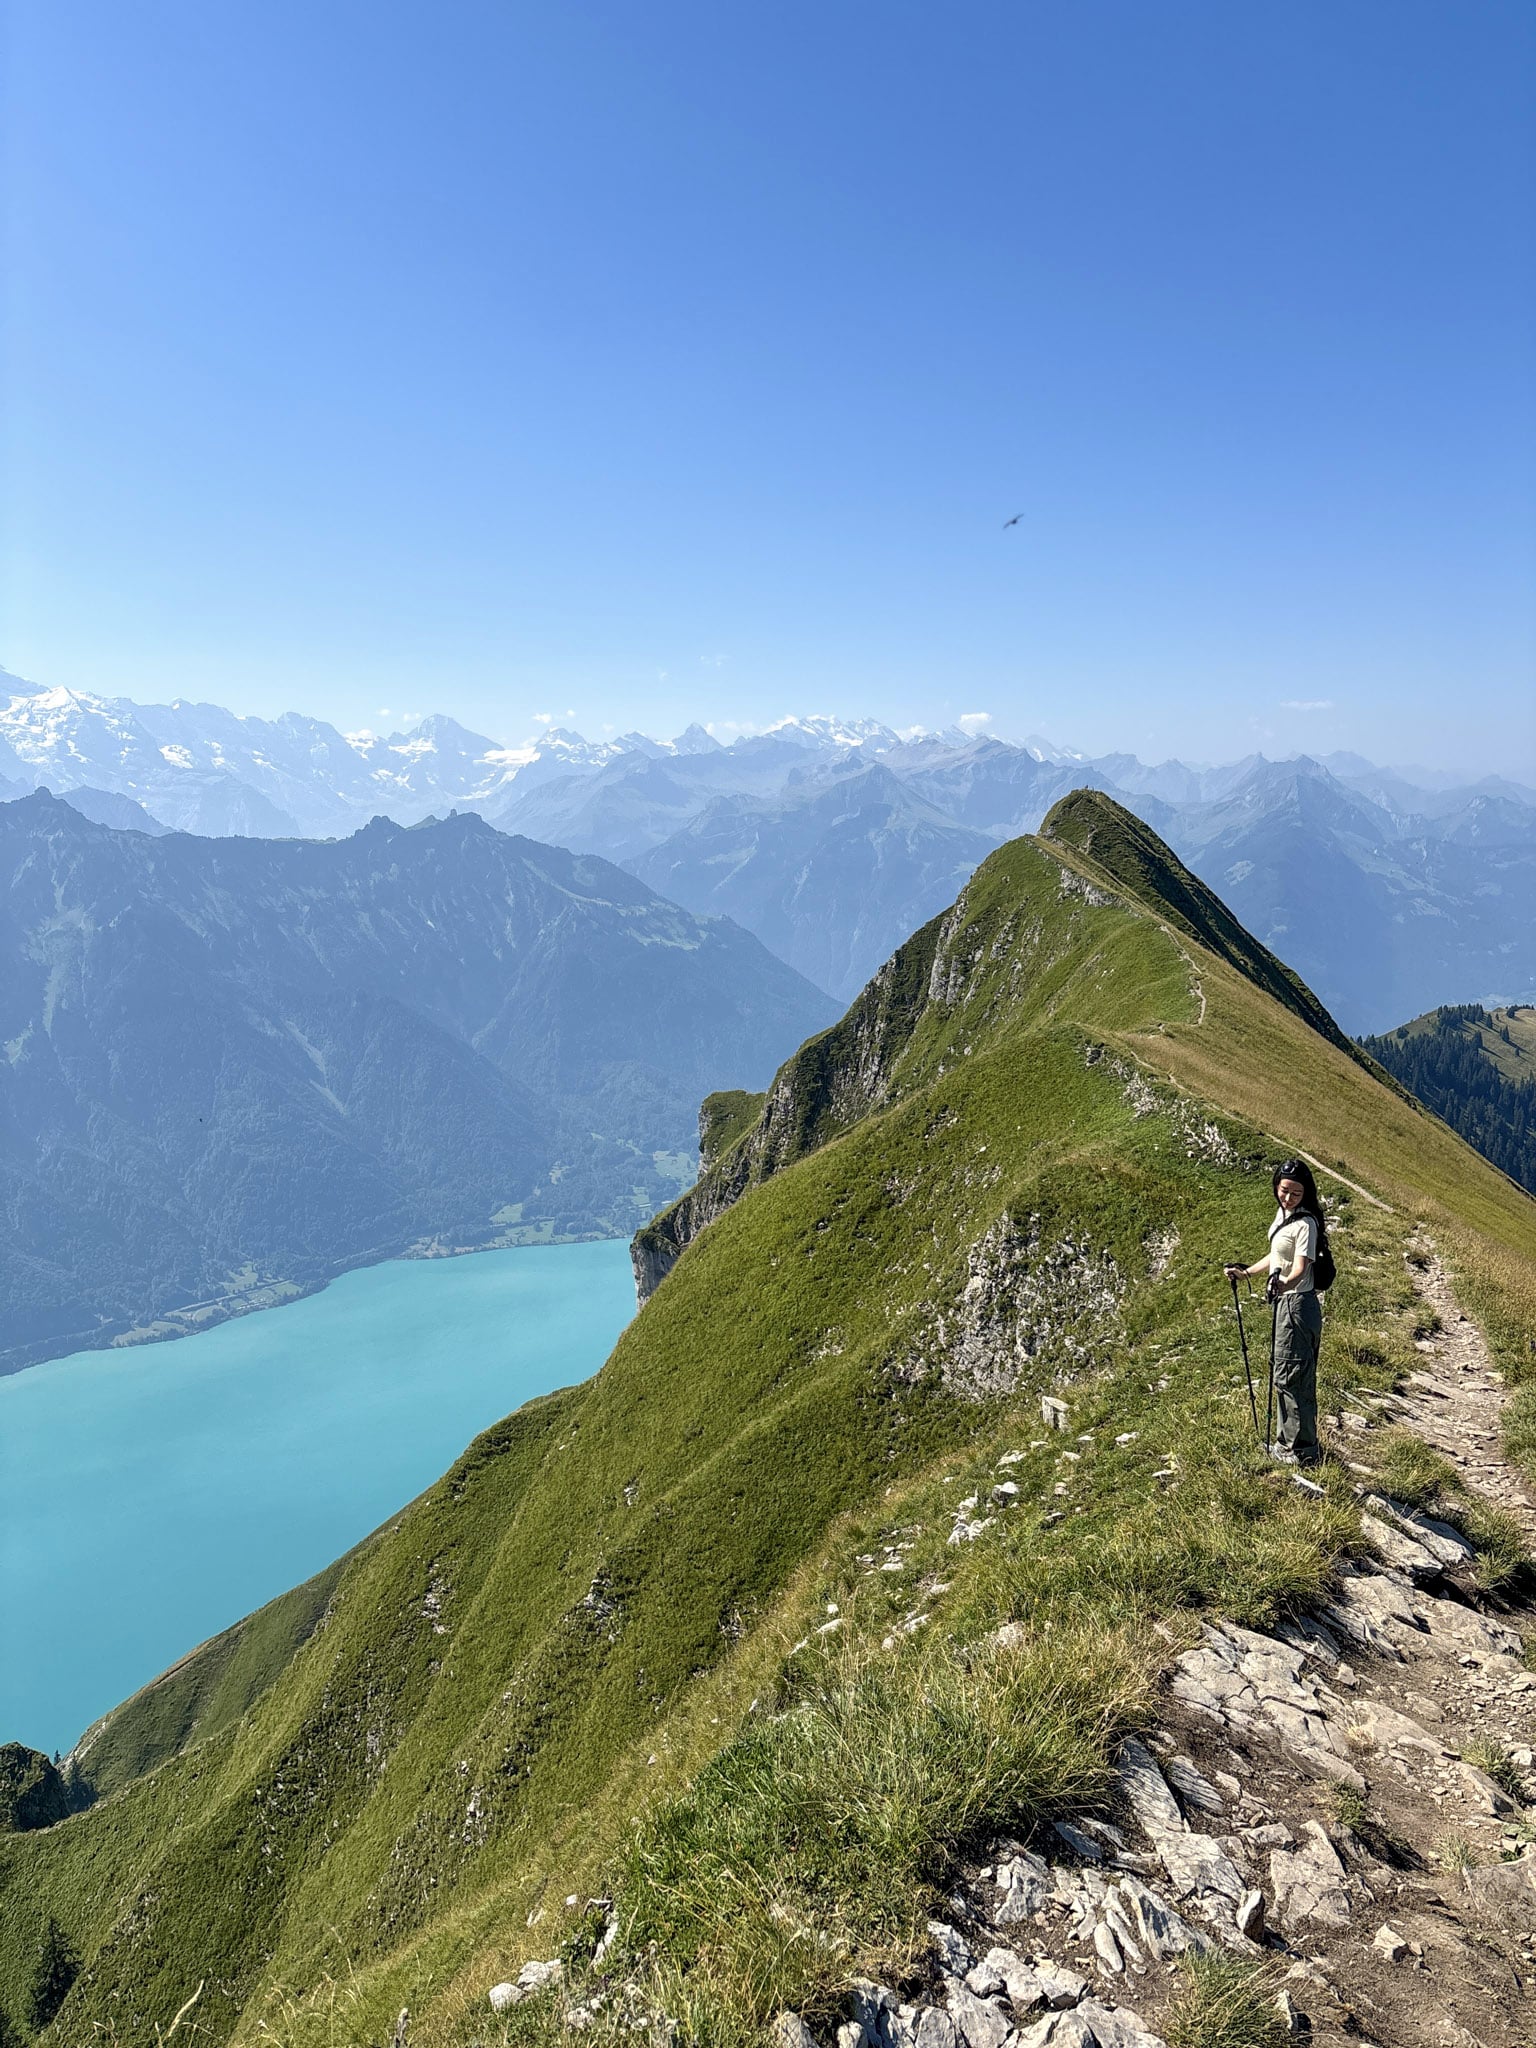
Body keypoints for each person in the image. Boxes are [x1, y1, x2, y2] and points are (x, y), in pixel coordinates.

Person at [1224, 1159, 1328, 1465]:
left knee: (1293, 1376)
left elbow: (1299, 1268)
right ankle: (1288, 1444)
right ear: (1276, 1187)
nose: (1288, 1197)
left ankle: (1302, 1453)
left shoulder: (1306, 1223)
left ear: (1306, 1193)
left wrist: (1281, 1286)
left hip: (1297, 1305)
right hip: (1288, 1304)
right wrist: (1248, 1273)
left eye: (1296, 1193)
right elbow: (1276, 1255)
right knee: (1285, 1374)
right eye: (1284, 1191)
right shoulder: (1285, 1215)